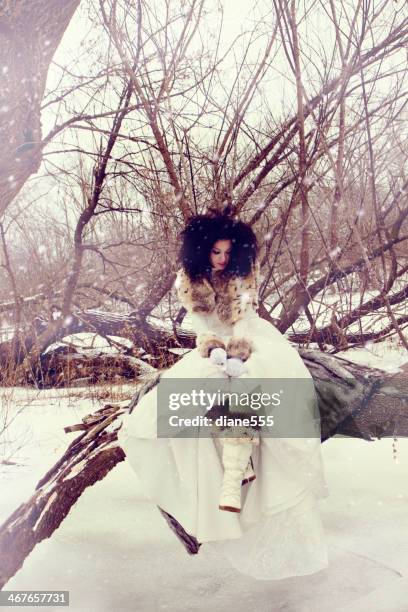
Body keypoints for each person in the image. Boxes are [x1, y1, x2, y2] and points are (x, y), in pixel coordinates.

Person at [118, 211, 329, 580]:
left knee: (251, 378)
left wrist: (239, 348)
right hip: (212, 345)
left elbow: (243, 319)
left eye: (227, 252)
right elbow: (202, 327)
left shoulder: (242, 275)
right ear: (203, 251)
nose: (221, 259)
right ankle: (235, 469)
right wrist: (214, 348)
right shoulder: (190, 280)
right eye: (215, 251)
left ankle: (235, 475)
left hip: (251, 337)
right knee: (193, 395)